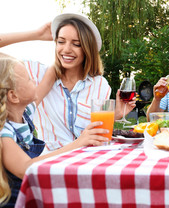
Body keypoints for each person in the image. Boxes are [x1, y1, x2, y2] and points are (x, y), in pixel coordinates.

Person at [0, 13, 135, 153]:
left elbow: (96, 132)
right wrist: (37, 34)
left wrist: (116, 115)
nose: (66, 49)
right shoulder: (37, 74)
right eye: (61, 41)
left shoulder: (100, 85)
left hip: (86, 159)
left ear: (87, 49)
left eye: (76, 44)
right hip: (48, 161)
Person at [0, 54, 109, 207]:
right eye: (30, 79)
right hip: (15, 202)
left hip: (32, 194)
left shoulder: (25, 113)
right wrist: (78, 142)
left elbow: (50, 76)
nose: (35, 80)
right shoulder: (4, 131)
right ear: (14, 96)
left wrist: (65, 53)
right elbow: (25, 168)